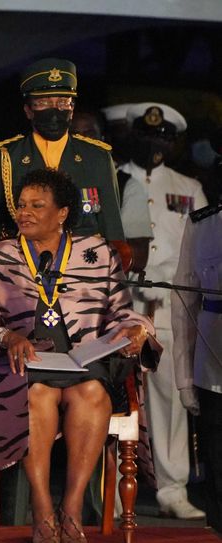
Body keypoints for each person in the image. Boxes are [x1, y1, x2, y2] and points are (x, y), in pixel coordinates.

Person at [0, 168, 159, 543]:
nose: (25, 213)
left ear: (62, 213)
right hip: (22, 367)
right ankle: (42, 505)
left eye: (37, 205)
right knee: (38, 396)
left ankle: (73, 506)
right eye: (21, 205)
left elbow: (122, 311)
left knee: (92, 394)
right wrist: (8, 336)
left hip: (83, 363)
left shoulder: (97, 253)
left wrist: (135, 330)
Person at [123, 103, 208, 520]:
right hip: (123, 305)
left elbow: (203, 248)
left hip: (170, 306)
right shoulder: (113, 178)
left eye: (162, 137)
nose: (154, 144)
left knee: (171, 399)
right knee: (118, 398)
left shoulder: (188, 187)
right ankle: (111, 489)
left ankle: (173, 488)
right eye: (146, 136)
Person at [0, 58, 124, 244]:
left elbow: (114, 232)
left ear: (72, 108)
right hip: (24, 259)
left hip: (84, 259)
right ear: (28, 110)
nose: (55, 112)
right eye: (43, 103)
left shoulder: (96, 157)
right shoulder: (4, 160)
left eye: (62, 102)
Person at [173, 202, 222, 532]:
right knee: (217, 464)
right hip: (213, 361)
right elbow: (184, 302)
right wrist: (185, 377)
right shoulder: (203, 224)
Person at [70, 108, 152, 271]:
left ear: (102, 139)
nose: (82, 139)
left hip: (100, 281)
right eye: (74, 133)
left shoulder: (125, 185)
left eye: (89, 133)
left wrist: (79, 247)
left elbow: (138, 257)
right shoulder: (50, 180)